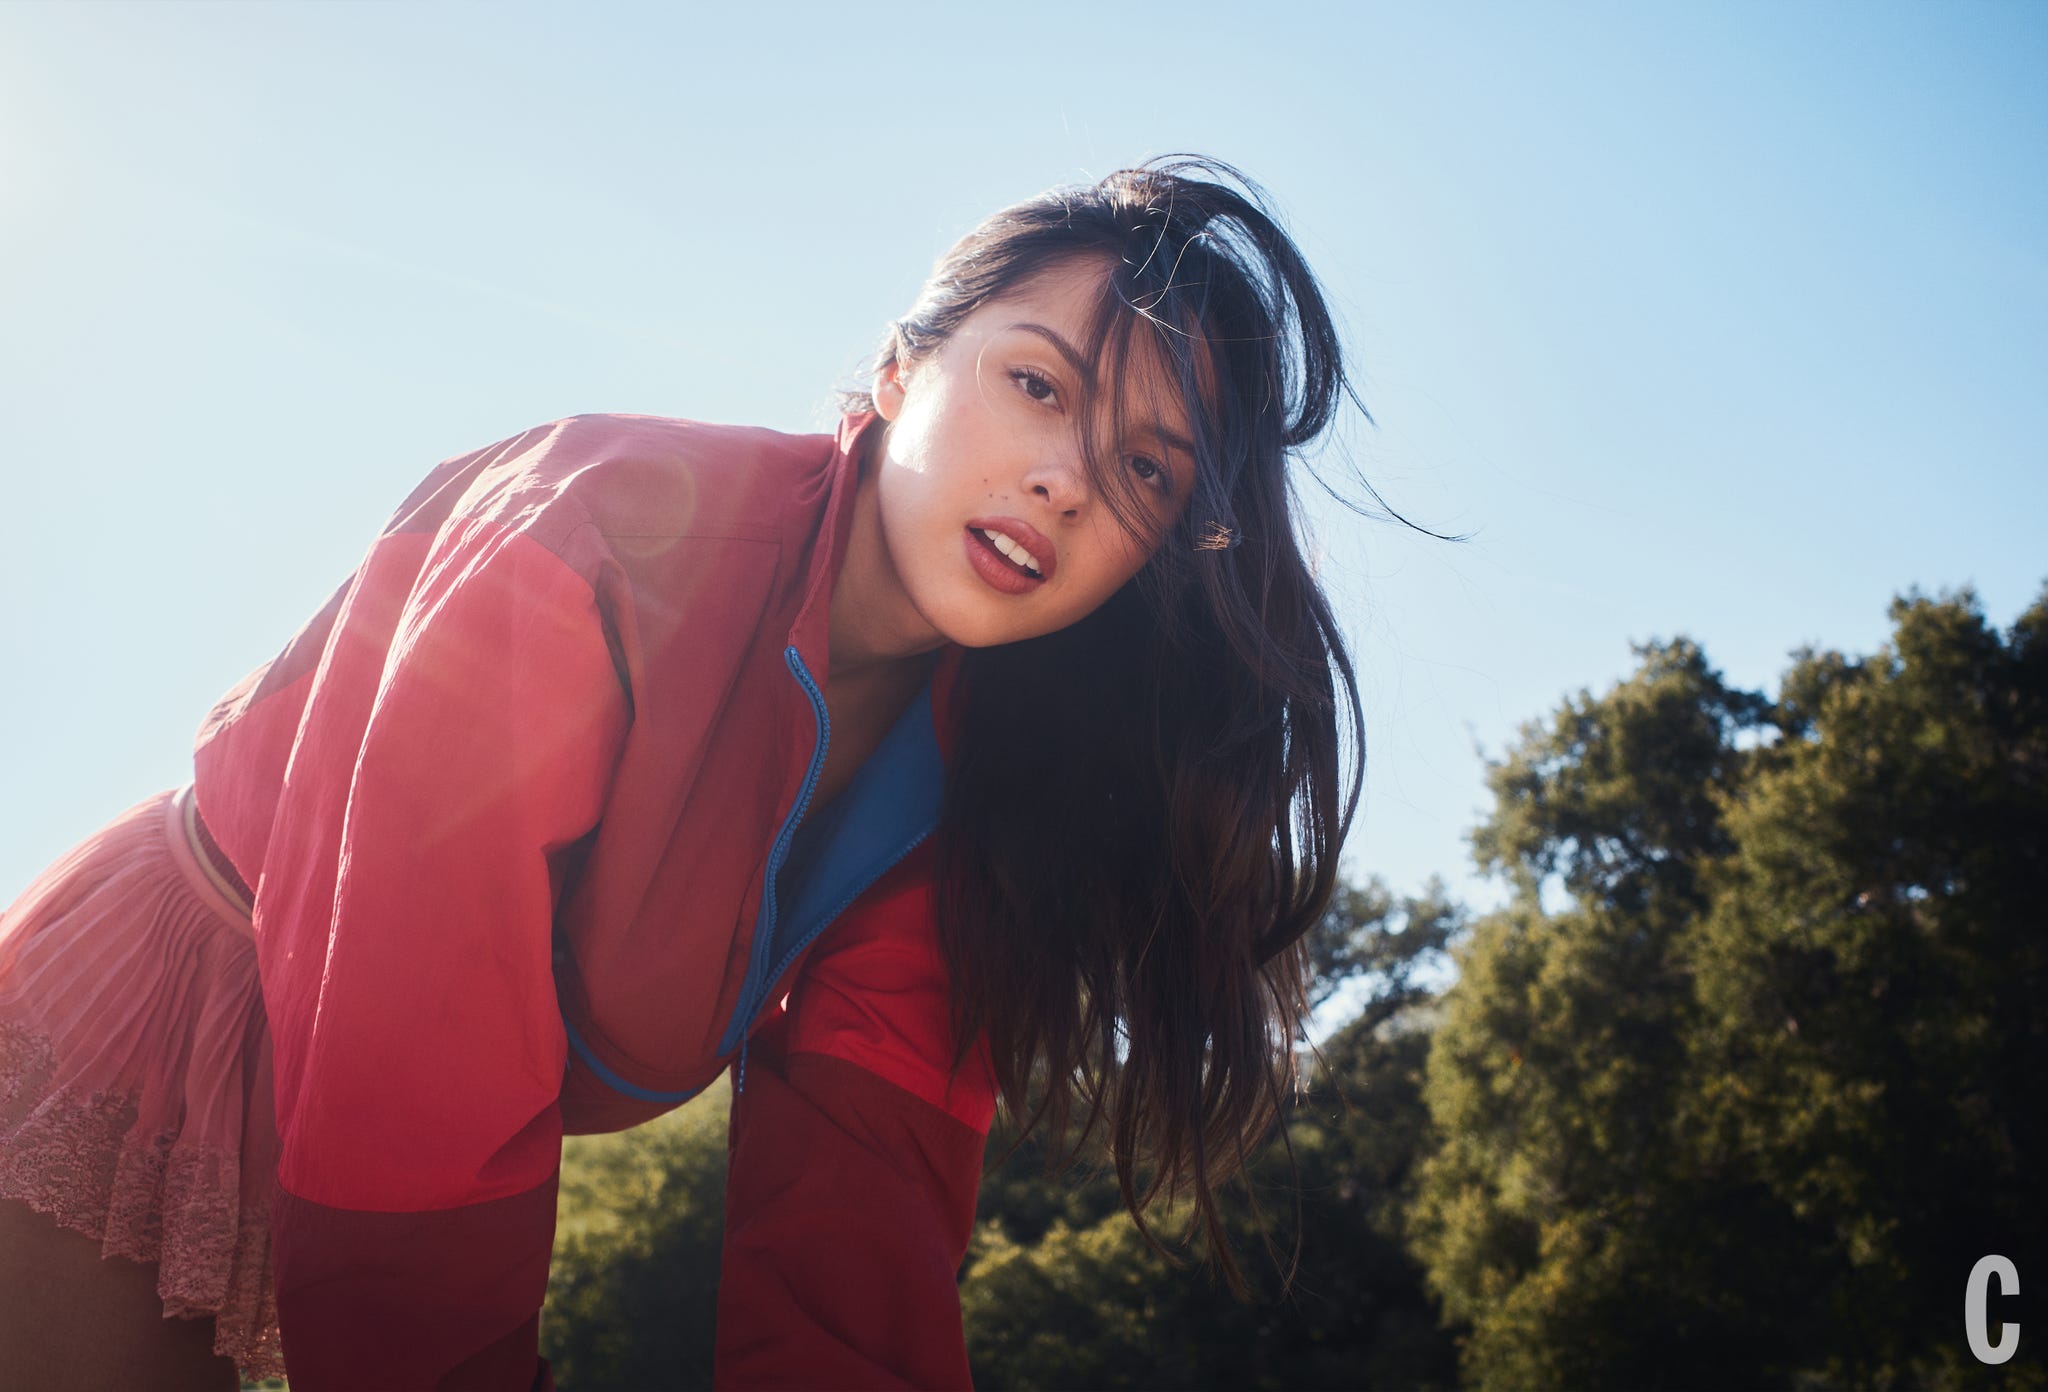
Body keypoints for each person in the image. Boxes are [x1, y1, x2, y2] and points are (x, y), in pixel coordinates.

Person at [0, 154, 1370, 1391]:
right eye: (1037, 386)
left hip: (402, 1166)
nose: (1068, 480)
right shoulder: (608, 531)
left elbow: (857, 1232)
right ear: (903, 370)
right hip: (174, 1023)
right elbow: (413, 1025)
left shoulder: (974, 800)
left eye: (1144, 467)